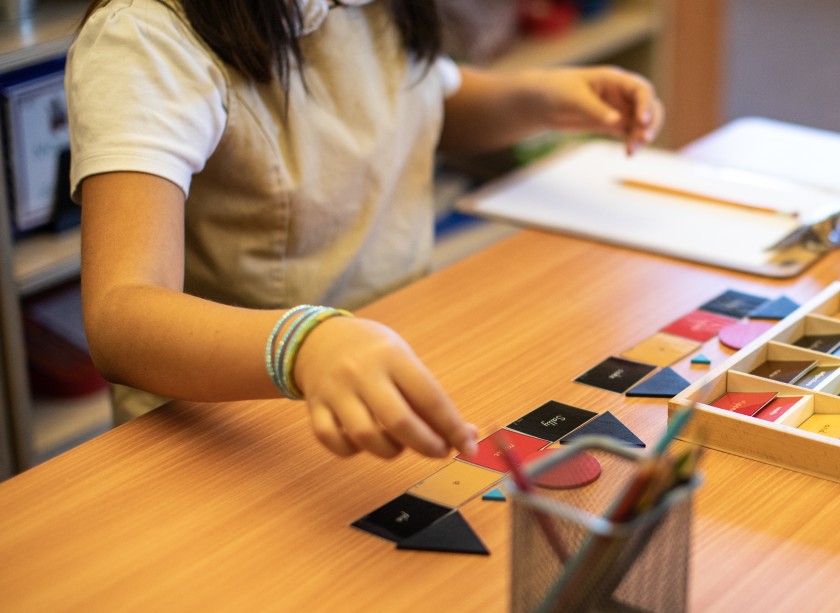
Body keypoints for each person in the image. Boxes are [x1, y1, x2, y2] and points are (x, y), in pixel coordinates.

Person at [66, 0, 664, 460]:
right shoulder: (145, 38)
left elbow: (417, 102)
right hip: (224, 425)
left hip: (385, 369)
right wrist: (305, 343)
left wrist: (540, 97)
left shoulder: (370, 9)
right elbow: (121, 317)